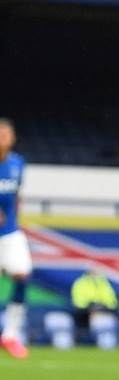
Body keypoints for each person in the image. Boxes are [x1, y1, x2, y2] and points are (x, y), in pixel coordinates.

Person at [0, 118, 32, 358]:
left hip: (10, 232)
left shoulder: (17, 164)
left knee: (22, 274)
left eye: (5, 136)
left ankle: (10, 335)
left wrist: (16, 220)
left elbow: (16, 195)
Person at [71, 268, 119, 349]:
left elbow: (112, 302)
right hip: (85, 315)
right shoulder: (80, 283)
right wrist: (90, 309)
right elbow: (78, 303)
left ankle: (107, 345)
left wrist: (102, 308)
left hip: (103, 313)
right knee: (99, 322)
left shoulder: (103, 283)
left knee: (106, 324)